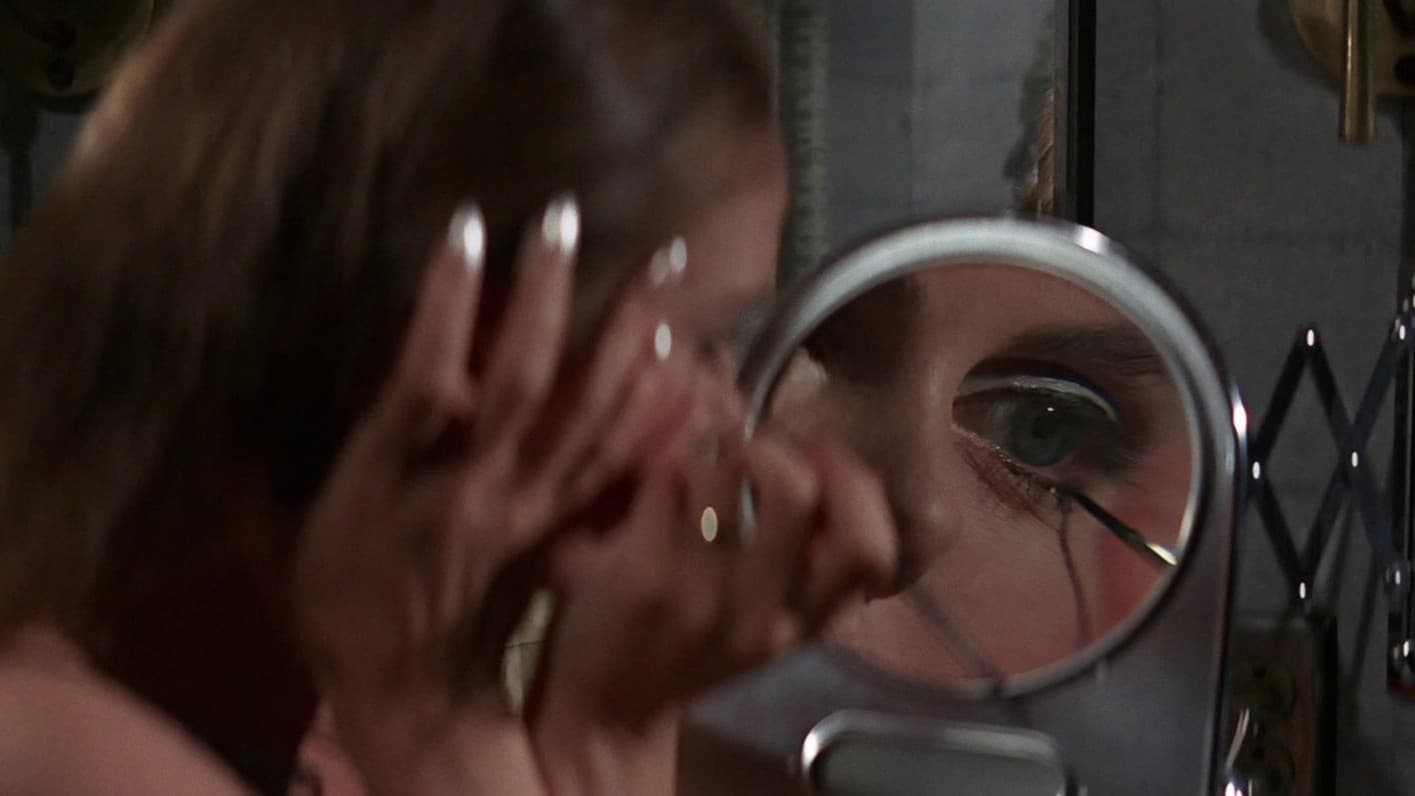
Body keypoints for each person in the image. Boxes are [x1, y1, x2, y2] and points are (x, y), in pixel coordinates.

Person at [0, 0, 900, 793]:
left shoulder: (283, 728)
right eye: (701, 342)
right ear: (467, 337)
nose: (725, 417)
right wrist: (443, 729)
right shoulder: (67, 756)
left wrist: (612, 734)